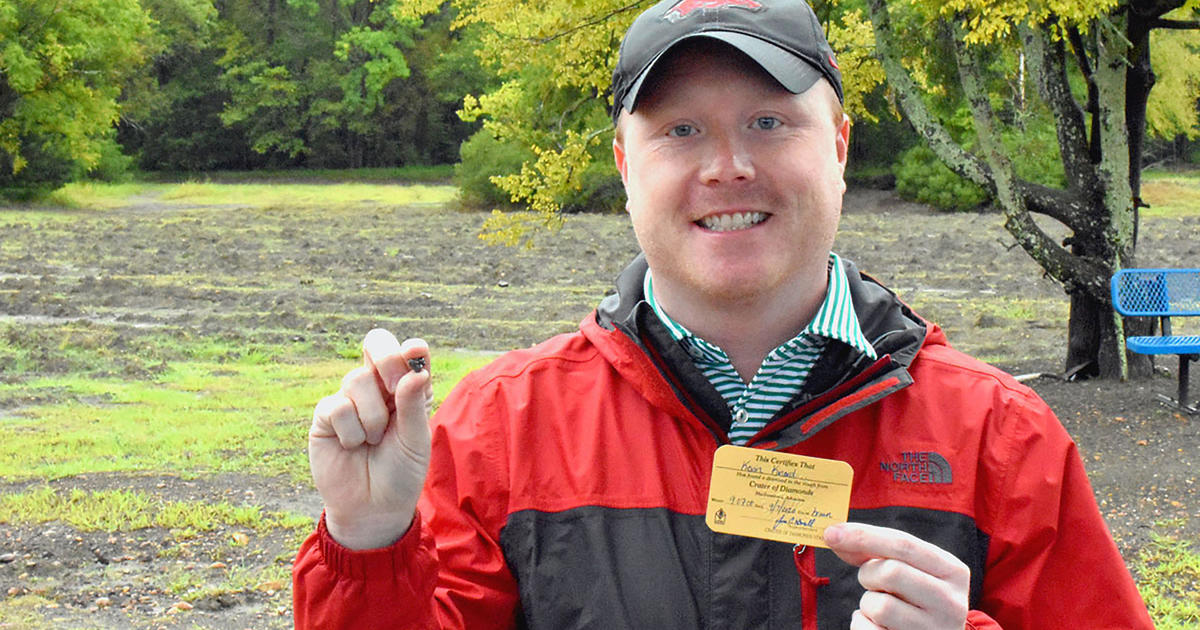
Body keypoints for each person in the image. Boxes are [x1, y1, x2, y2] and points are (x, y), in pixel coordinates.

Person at [292, 1, 1156, 628]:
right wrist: (368, 544)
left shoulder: (1000, 438)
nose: (729, 166)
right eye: (681, 132)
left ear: (841, 148)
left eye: (770, 121)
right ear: (625, 164)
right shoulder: (496, 432)